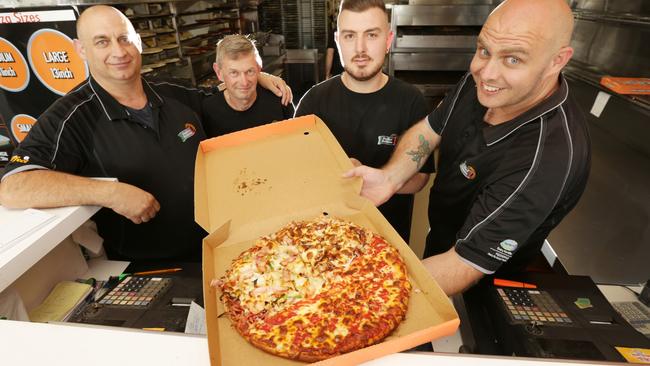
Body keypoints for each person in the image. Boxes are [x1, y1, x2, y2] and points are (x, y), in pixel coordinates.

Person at [0, 5, 291, 262]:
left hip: (212, 247)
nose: (118, 51)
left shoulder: (172, 93)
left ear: (138, 42)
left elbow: (223, 95)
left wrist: (259, 77)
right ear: (81, 50)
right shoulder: (72, 116)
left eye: (124, 38)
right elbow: (14, 187)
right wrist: (111, 192)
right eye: (102, 42)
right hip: (147, 264)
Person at [344, 0, 591, 296]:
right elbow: (431, 128)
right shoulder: (484, 82)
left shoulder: (547, 156)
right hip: (438, 246)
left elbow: (464, 264)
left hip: (481, 287)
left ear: (557, 61)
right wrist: (389, 178)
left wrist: (351, 292)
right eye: (484, 50)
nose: (486, 73)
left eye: (513, 59)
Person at [295, 0, 433, 243]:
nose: (360, 48)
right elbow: (297, 173)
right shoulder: (312, 102)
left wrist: (376, 179)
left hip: (388, 241)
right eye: (349, 36)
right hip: (322, 241)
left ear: (388, 40)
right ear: (337, 41)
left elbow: (420, 179)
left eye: (371, 35)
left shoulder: (411, 101)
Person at [202, 35, 294, 137]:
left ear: (259, 68)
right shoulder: (207, 112)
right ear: (219, 72)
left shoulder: (280, 100)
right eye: (234, 73)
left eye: (250, 71)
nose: (244, 82)